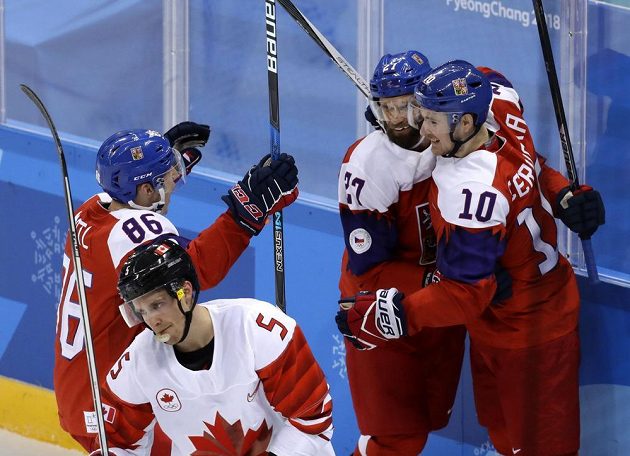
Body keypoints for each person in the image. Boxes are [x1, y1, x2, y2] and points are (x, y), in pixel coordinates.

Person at [337, 61, 594, 455]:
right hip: (495, 324)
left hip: (529, 331)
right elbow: (530, 160)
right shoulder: (503, 113)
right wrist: (561, 194)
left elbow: (464, 294)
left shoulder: (470, 191)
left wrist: (394, 315)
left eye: (432, 122)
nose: (422, 131)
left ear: (464, 123)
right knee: (505, 438)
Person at [54, 124, 299, 453]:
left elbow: (137, 207)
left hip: (80, 388)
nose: (175, 180)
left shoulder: (93, 210)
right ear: (144, 191)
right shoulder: (133, 234)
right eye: (168, 177)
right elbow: (194, 271)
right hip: (112, 404)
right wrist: (247, 210)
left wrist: (158, 156)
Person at [88, 238, 334, 455]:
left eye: (157, 305)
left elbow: (312, 420)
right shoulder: (139, 360)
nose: (152, 321)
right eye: (141, 311)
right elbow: (116, 443)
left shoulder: (256, 328)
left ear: (185, 292)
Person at [337, 50, 467, 456]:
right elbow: (369, 270)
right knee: (396, 438)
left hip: (437, 300)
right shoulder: (367, 165)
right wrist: (447, 284)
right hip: (380, 306)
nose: (394, 118)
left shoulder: (450, 134)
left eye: (405, 106)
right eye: (386, 107)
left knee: (425, 422)